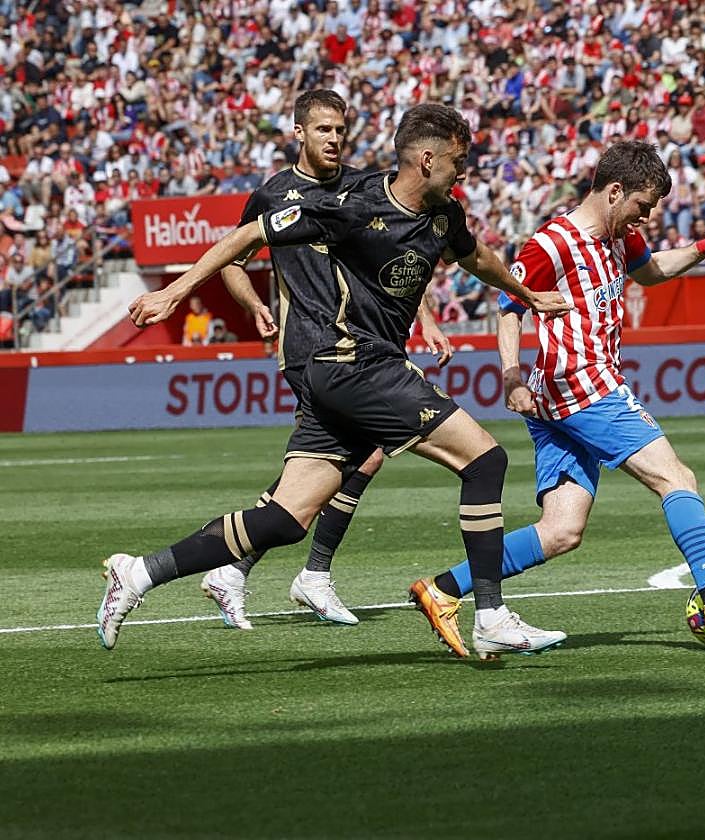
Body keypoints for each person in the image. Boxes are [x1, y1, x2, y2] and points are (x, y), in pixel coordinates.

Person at [99, 103, 572, 660]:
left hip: (345, 374)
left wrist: (528, 295)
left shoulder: (445, 214)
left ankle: (139, 573)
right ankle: (490, 614)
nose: (464, 171)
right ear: (426, 158)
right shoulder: (351, 207)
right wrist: (173, 291)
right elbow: (247, 236)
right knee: (485, 460)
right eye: (457, 161)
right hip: (355, 363)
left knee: (283, 519)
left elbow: (477, 258)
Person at [407, 140, 705, 658]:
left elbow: (652, 270)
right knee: (675, 477)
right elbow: (508, 306)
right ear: (614, 191)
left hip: (557, 396)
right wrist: (511, 376)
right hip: (581, 384)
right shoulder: (553, 245)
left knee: (562, 530)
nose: (646, 217)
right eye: (642, 205)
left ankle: (444, 588)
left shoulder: (619, 237)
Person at [196, 90, 455, 629]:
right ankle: (304, 573)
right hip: (310, 348)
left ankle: (243, 569)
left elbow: (396, 260)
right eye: (324, 130)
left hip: (358, 345)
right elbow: (233, 258)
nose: (335, 139)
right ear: (299, 133)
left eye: (341, 129)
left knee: (335, 463)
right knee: (359, 456)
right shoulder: (273, 194)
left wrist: (425, 316)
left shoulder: (364, 186)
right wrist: (254, 308)